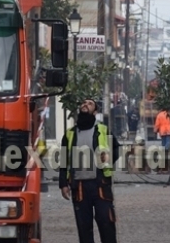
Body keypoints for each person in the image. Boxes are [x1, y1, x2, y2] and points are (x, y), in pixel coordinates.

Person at [60, 98, 120, 243]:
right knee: (84, 227)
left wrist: (108, 159)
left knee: (106, 223)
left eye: (89, 103)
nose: (85, 104)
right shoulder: (70, 134)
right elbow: (63, 161)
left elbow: (116, 149)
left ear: (95, 111)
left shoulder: (103, 130)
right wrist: (63, 184)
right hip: (79, 187)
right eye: (83, 103)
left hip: (100, 185)